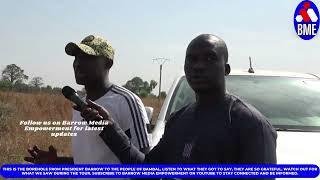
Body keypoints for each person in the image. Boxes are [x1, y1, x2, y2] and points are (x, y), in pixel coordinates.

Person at [81, 34, 277, 179]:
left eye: (209, 58)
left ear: (226, 69)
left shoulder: (250, 124)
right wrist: (109, 128)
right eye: (191, 59)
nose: (198, 66)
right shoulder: (179, 119)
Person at [24, 35, 151, 165]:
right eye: (76, 58)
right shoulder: (79, 107)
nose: (78, 64)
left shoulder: (126, 101)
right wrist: (57, 161)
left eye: (87, 57)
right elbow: (88, 162)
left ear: (108, 63)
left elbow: (145, 164)